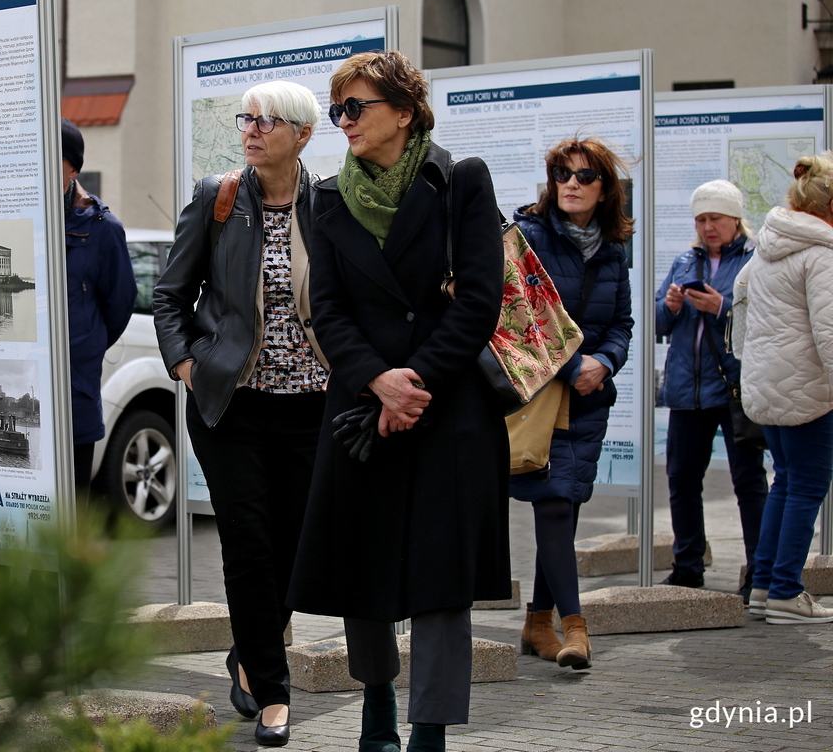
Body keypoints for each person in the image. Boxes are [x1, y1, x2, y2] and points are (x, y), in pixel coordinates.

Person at [288, 51, 509, 752]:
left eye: (358, 108)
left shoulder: (460, 180)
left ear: (405, 111)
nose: (345, 122)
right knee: (365, 566)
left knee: (443, 581)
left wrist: (411, 384)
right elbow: (327, 307)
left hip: (447, 409)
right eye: (338, 111)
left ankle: (430, 728)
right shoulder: (326, 196)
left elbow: (478, 302)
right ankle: (377, 704)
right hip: (363, 408)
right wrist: (376, 381)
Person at [155, 81, 328, 747]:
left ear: (302, 135)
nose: (252, 130)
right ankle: (274, 689)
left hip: (312, 407)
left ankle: (248, 653)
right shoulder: (218, 198)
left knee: (294, 551)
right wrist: (186, 364)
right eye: (245, 119)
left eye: (268, 121)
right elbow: (170, 294)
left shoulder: (330, 204)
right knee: (249, 543)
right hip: (232, 405)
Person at [0, 119, 136, 642]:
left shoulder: (100, 228)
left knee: (66, 508)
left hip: (68, 393)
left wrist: (81, 349)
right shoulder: (4, 217)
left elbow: (117, 307)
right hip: (9, 381)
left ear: (68, 165)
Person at [509, 136, 635, 670]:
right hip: (542, 396)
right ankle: (575, 627)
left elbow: (622, 325)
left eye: (585, 176)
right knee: (556, 501)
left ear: (604, 188)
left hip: (589, 397)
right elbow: (515, 318)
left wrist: (603, 363)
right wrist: (570, 364)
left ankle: (539, 624)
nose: (572, 184)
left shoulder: (612, 249)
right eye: (563, 173)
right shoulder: (529, 236)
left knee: (567, 507)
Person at [655, 180, 766, 598]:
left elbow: (764, 319)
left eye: (715, 218)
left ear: (735, 218)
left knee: (748, 481)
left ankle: (760, 570)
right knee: (682, 479)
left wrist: (719, 306)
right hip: (687, 389)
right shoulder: (686, 260)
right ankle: (687, 565)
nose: (707, 227)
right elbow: (657, 324)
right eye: (701, 219)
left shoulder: (755, 260)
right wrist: (668, 306)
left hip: (735, 387)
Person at [738, 154, 833, 625]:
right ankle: (787, 591)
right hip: (810, 389)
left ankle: (764, 586)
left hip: (769, 385)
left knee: (786, 481)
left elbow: (739, 299)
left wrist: (749, 363)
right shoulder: (821, 255)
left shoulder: (768, 246)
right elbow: (831, 333)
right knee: (808, 484)